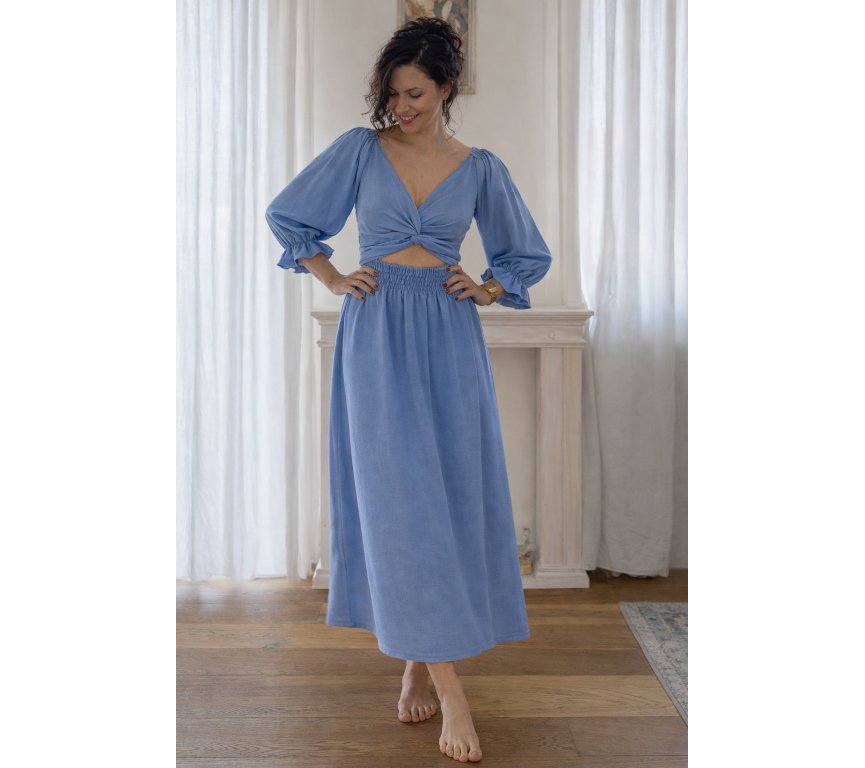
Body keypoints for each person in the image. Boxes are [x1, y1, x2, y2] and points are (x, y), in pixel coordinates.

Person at [265, 16, 552, 764]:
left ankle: (418, 663)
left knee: (446, 498)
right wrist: (332, 276)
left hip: (449, 335)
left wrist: (488, 288)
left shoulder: (479, 167)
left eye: (415, 93)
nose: (401, 107)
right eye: (392, 94)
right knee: (401, 506)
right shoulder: (362, 151)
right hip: (377, 331)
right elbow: (289, 215)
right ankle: (454, 692)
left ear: (447, 89)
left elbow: (525, 251)